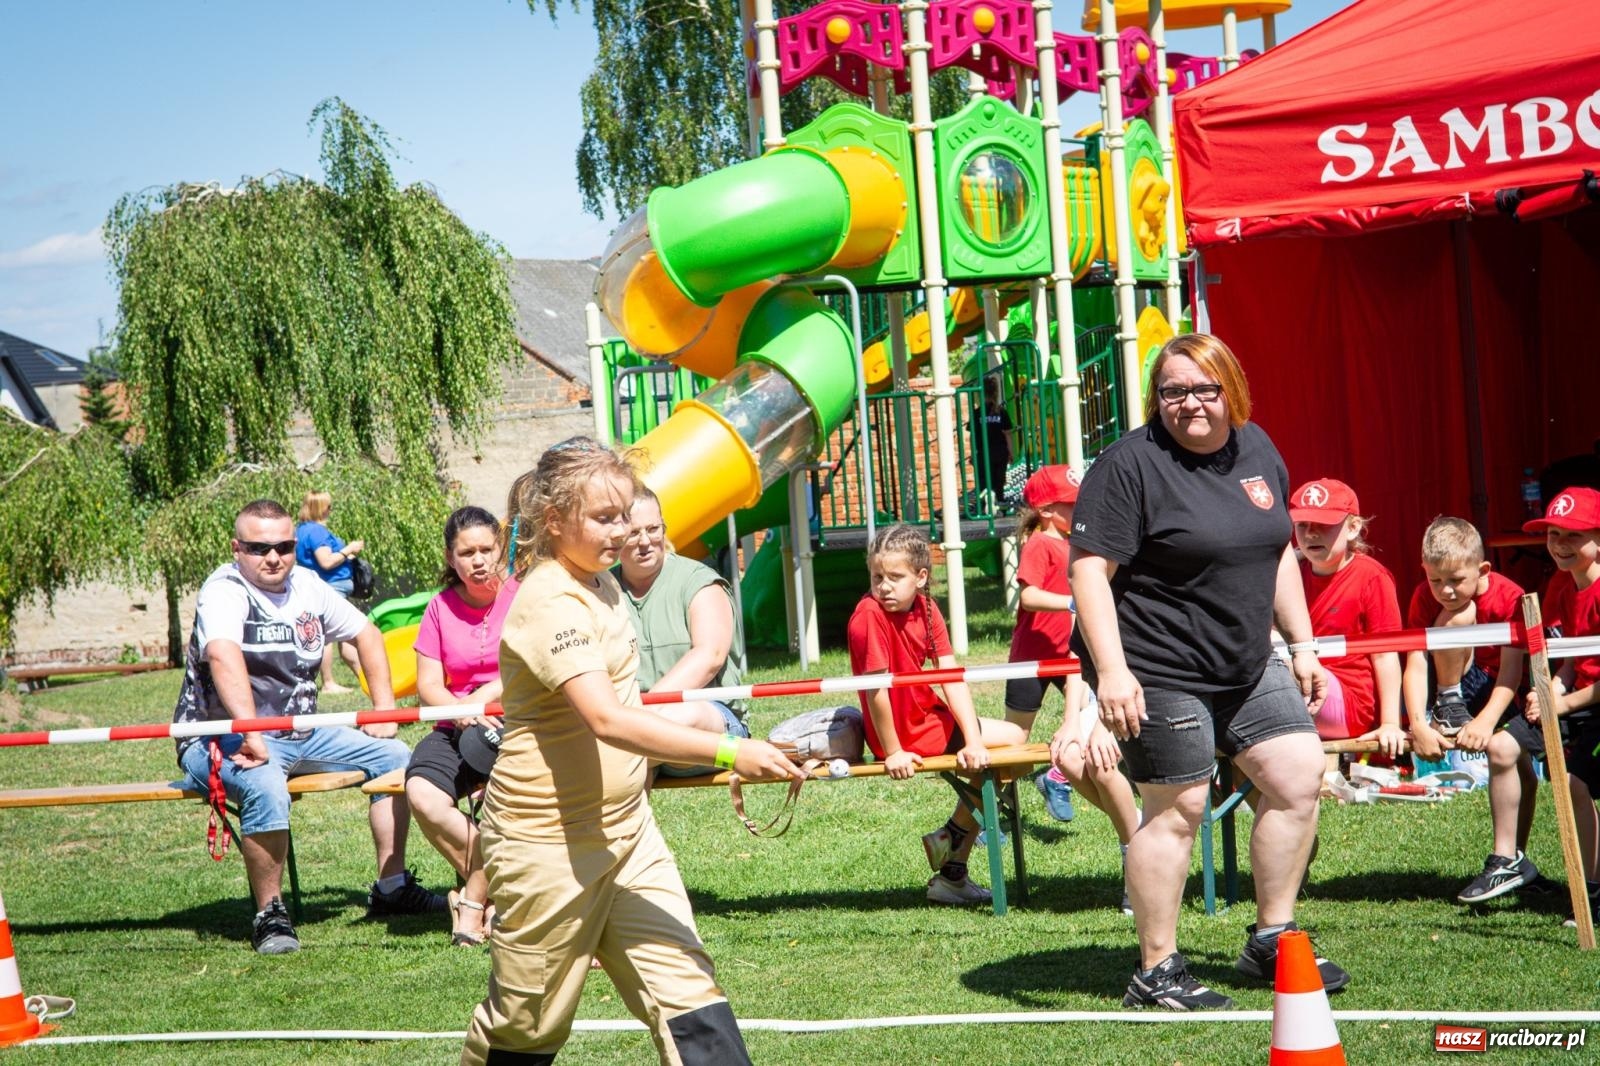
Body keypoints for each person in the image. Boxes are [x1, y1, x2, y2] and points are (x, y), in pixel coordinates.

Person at [460, 437, 801, 1066]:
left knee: (690, 997)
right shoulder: (549, 599)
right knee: (526, 1027)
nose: (620, 532)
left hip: (629, 833)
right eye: (604, 518)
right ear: (555, 520)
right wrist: (729, 750)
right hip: (547, 848)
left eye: (625, 515)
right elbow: (607, 719)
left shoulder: (602, 583)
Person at [1068, 333, 1347, 1011]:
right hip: (1157, 667)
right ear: (1155, 398)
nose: (1188, 403)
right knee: (1179, 809)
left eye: (1202, 388)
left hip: (1247, 664)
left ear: (1231, 390)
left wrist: (1302, 644)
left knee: (1296, 777)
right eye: (1172, 391)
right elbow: (1088, 573)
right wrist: (1111, 673)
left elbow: (1277, 549)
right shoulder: (1128, 466)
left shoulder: (1258, 449)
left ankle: (1271, 937)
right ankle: (1156, 971)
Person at [172, 499, 447, 957]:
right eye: (260, 548)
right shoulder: (223, 590)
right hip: (222, 735)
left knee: (399, 759)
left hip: (302, 732)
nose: (273, 557)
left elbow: (367, 634)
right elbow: (223, 655)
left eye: (283, 546)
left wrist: (383, 710)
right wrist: (253, 733)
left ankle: (392, 886)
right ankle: (270, 913)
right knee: (263, 783)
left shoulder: (308, 585)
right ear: (236, 548)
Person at [847, 523, 1028, 905]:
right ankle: (952, 845)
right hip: (902, 733)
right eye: (877, 576)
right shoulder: (868, 615)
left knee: (1003, 754)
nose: (884, 586)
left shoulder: (927, 610)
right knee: (1010, 746)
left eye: (895, 577)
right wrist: (893, 750)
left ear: (921, 577)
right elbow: (876, 691)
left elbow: (952, 678)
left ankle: (952, 865)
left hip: (928, 718)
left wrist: (974, 740)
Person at [1005, 465, 1142, 910]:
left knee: (1080, 736)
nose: (1081, 509)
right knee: (1013, 747)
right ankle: (981, 820)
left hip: (1071, 658)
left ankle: (1070, 787)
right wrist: (1072, 600)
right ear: (1046, 510)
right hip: (1032, 657)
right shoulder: (1041, 544)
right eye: (1071, 503)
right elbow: (1026, 598)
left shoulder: (1075, 545)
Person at [1401, 517, 1539, 903]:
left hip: (1502, 687)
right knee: (1458, 616)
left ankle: (1513, 861)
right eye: (1435, 580)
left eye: (1456, 580)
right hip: (1459, 680)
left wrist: (1486, 721)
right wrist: (1417, 725)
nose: (1445, 590)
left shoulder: (1511, 596)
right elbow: (1413, 661)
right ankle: (1447, 703)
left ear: (1483, 570)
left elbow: (1512, 672)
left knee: (1520, 770)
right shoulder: (1424, 598)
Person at [404, 505, 519, 947]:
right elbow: (428, 686)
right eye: (466, 552)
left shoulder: (525, 595)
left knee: (503, 804)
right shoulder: (439, 608)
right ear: (451, 559)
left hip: (520, 721)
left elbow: (533, 667)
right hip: (454, 726)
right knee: (422, 794)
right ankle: (492, 890)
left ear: (501, 549)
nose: (478, 560)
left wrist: (482, 697)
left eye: (486, 549)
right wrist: (459, 709)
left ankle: (476, 898)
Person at [617, 486, 750, 776]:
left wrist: (644, 712)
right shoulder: (600, 590)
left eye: (653, 529)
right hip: (630, 727)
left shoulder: (700, 582)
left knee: (682, 715)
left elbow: (710, 656)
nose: (645, 542)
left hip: (715, 728)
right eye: (633, 533)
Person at [1523, 487, 1600, 928]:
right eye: (1554, 533)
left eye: (1572, 534)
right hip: (1578, 703)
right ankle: (1509, 862)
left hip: (1591, 707)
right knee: (1507, 747)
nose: (1560, 544)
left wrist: (1563, 702)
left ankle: (1591, 887)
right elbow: (1572, 660)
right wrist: (1547, 687)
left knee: (1575, 782)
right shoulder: (1559, 585)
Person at [1289, 479, 1404, 759]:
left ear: (1353, 528)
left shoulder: (1371, 577)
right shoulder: (1289, 573)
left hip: (1350, 704)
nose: (1311, 533)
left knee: (1279, 668)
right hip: (1300, 688)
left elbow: (1386, 655)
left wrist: (1390, 723)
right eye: (1302, 524)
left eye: (1323, 524)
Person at [295, 490, 365, 693]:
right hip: (330, 587)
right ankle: (329, 682)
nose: (331, 510)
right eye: (329, 506)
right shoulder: (317, 532)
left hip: (325, 586)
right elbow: (325, 562)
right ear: (320, 508)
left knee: (347, 633)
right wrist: (349, 549)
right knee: (328, 637)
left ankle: (362, 677)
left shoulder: (302, 530)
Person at [974, 374, 1014, 508]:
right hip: (1000, 451)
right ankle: (999, 500)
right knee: (999, 478)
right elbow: (1008, 434)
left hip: (983, 451)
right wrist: (1011, 451)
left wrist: (973, 452)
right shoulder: (1001, 412)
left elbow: (972, 435)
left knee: (984, 478)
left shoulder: (977, 413)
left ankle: (985, 500)